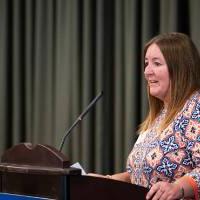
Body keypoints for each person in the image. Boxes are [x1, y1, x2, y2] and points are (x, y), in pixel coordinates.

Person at [89, 32, 200, 200]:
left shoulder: (195, 107)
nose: (147, 71)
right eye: (146, 63)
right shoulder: (160, 115)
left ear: (180, 67)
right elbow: (142, 174)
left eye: (156, 63)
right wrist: (108, 181)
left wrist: (179, 188)